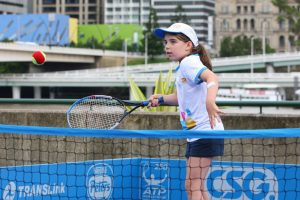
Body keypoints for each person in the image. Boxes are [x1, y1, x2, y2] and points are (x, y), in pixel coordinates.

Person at [148, 23, 224, 200]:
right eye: (166, 42)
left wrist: (210, 101)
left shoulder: (189, 62)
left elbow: (212, 77)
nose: (167, 46)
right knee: (197, 186)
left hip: (205, 132)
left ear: (188, 45)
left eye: (173, 41)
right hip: (198, 134)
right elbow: (180, 97)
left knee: (192, 185)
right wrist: (161, 99)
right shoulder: (184, 66)